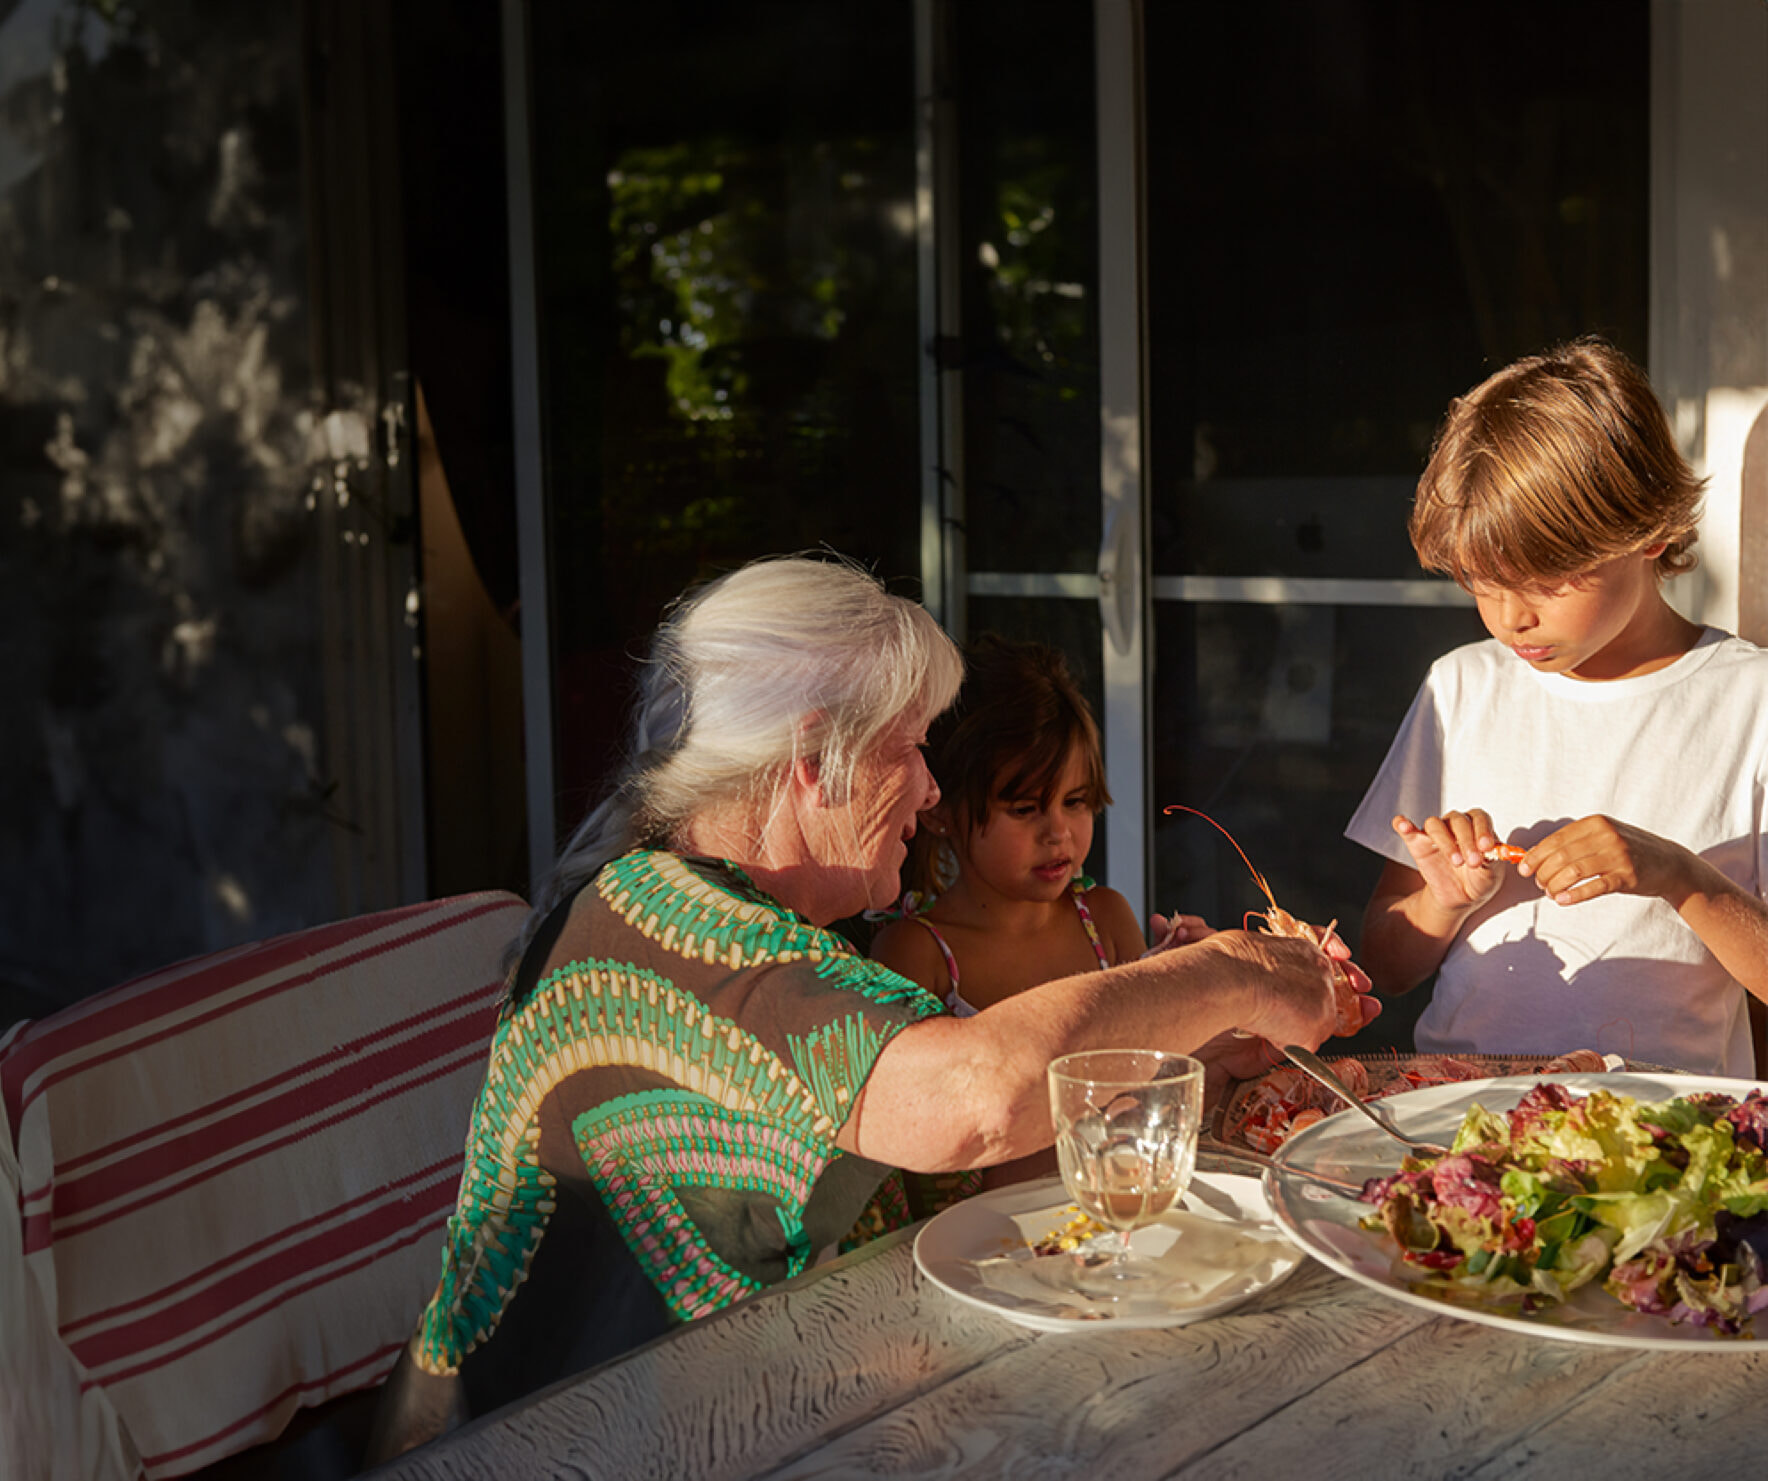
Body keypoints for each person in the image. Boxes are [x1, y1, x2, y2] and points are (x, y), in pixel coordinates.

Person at [367, 556, 1373, 1462]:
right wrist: (1239, 969)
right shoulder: (699, 942)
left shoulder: (673, 899)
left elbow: (966, 1159)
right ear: (814, 757)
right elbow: (972, 1095)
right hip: (549, 1448)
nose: (933, 791)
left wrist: (1196, 1043)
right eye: (912, 747)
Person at [1346, 338, 1768, 1076]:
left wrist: (1678, 875)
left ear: (1650, 530)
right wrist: (1442, 901)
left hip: (1664, 1138)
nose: (1510, 617)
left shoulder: (1747, 700)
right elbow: (1385, 963)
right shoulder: (1462, 688)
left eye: (1546, 578)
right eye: (1479, 580)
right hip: (1458, 1116)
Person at [869, 635, 1178, 1017]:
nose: (1058, 832)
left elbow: (1155, 1054)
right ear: (939, 812)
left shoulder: (1105, 919)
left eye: (1074, 802)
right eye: (1025, 809)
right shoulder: (915, 953)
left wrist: (1182, 982)